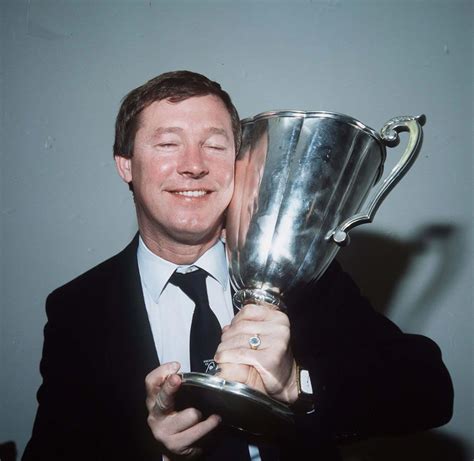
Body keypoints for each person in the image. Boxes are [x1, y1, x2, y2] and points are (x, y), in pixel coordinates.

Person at [23, 71, 453, 461]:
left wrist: (296, 384)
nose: (194, 165)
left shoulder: (298, 274)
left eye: (214, 144)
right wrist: (156, 452)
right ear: (126, 165)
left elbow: (429, 390)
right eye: (168, 143)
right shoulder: (77, 309)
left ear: (240, 163)